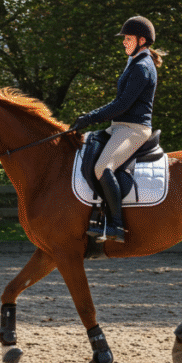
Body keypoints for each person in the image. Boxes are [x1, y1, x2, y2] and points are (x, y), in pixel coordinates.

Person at [73, 15, 164, 243]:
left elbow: (122, 104)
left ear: (142, 40)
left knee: (104, 167)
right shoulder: (134, 62)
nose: (124, 42)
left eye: (128, 38)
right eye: (124, 38)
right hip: (119, 127)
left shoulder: (142, 67)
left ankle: (116, 225)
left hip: (134, 129)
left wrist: (91, 117)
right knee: (83, 148)